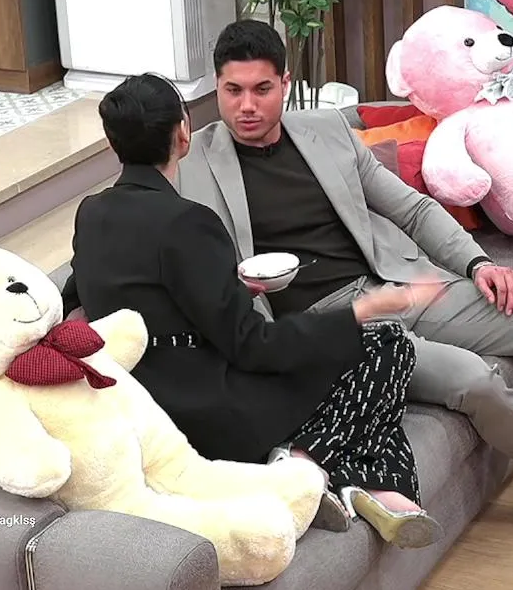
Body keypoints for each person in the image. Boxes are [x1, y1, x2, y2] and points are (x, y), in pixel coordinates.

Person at [160, 18, 513, 563]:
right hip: (334, 328)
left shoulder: (326, 132)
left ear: (286, 84)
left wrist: (478, 263)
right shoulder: (189, 166)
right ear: (216, 88)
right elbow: (172, 256)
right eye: (233, 91)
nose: (247, 106)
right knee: (473, 379)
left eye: (261, 89)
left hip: (400, 285)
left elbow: (411, 209)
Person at [63, 72, 447, 549]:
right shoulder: (188, 222)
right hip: (211, 415)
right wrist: (361, 310)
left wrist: (230, 285)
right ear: (183, 133)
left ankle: (374, 490)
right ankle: (300, 462)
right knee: (386, 344)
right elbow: (253, 347)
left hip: (141, 408)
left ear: (112, 143)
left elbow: (109, 293)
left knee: (369, 395)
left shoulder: (91, 213)